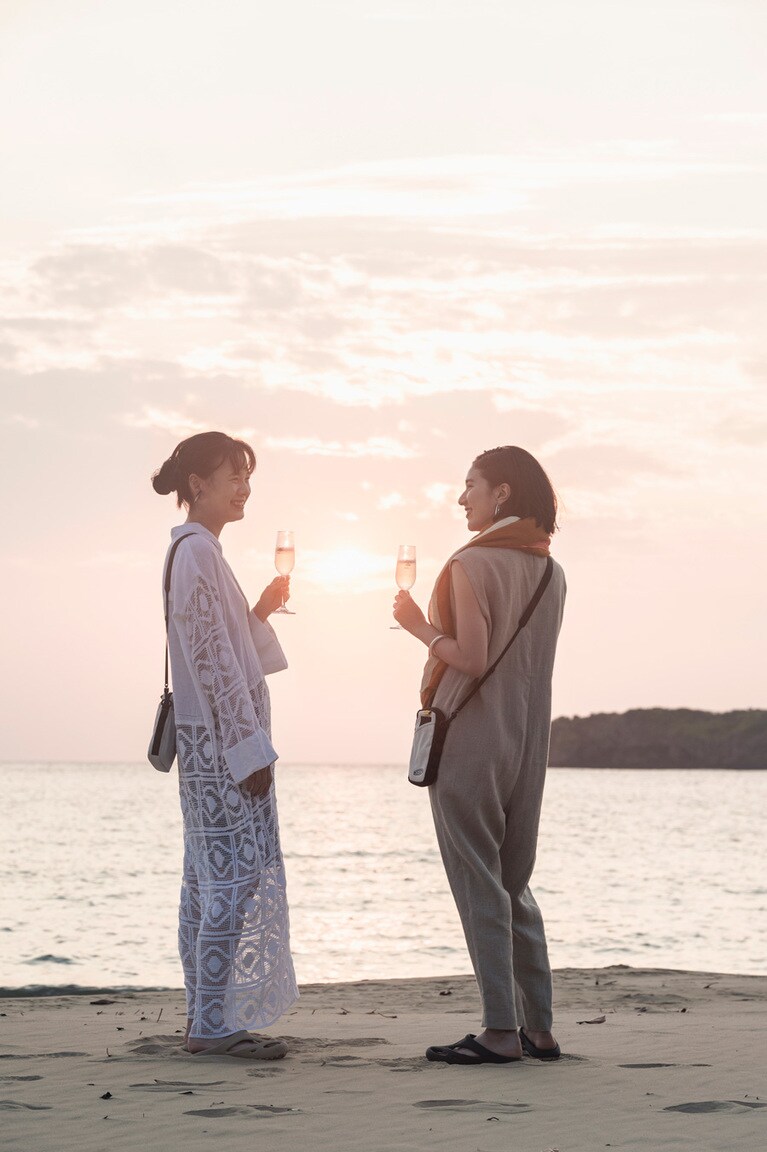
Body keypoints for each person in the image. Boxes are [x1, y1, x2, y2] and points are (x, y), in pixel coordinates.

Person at [393, 445, 566, 1065]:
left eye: (470, 485)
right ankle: (538, 1028)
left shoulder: (470, 563)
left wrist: (415, 623)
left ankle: (499, 1029)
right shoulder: (552, 571)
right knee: (514, 882)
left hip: (470, 739)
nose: (460, 496)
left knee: (479, 882)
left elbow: (471, 656)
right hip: (530, 743)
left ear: (502, 495)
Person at [152, 431, 298, 1059]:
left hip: (212, 746)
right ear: (196, 486)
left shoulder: (200, 550)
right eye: (232, 474)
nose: (243, 487)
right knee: (228, 883)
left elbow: (224, 641)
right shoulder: (195, 553)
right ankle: (211, 1026)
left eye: (247, 476)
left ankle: (204, 1017)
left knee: (210, 881)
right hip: (222, 750)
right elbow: (210, 660)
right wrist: (247, 752)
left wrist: (259, 608)